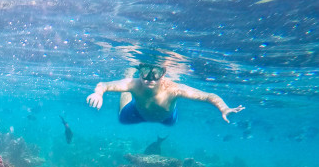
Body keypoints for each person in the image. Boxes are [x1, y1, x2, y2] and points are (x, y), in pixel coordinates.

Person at [86, 63, 245, 125]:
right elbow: (104, 85)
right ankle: (126, 95)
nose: (149, 78)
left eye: (155, 73)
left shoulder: (174, 88)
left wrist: (223, 108)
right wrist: (98, 93)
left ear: (163, 73)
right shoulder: (134, 84)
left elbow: (208, 96)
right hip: (137, 112)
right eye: (145, 72)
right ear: (140, 72)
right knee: (122, 119)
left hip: (166, 117)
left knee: (170, 124)